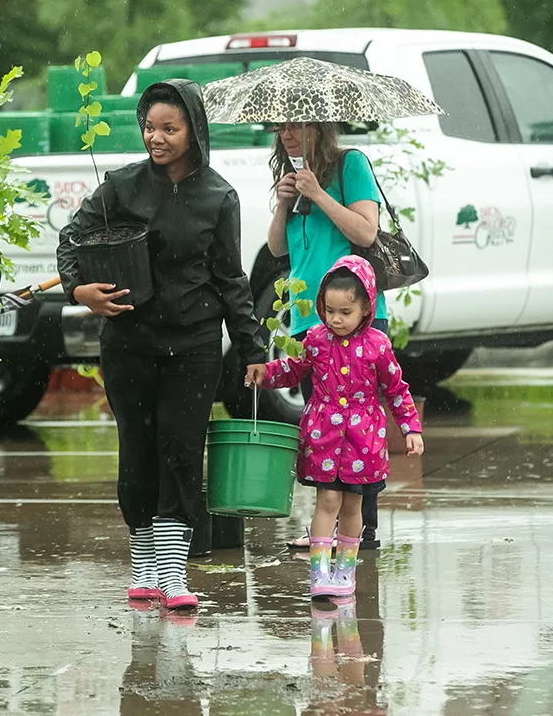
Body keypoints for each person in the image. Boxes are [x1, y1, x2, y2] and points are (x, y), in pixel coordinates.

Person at [57, 80, 261, 611]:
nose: (157, 138)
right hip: (128, 342)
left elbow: (230, 279)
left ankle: (172, 577)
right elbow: (70, 240)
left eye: (170, 128)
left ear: (194, 130)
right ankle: (143, 567)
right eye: (150, 128)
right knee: (138, 451)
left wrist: (253, 349)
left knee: (181, 451)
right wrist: (79, 291)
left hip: (194, 345)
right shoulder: (121, 186)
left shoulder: (220, 196)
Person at [248, 255, 423, 597]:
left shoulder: (377, 346)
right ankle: (320, 573)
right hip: (324, 436)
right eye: (330, 311)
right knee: (327, 500)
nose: (336, 319)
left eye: (346, 312)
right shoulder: (315, 339)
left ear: (366, 308)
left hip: (363, 440)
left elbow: (396, 389)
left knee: (353, 506)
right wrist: (265, 374)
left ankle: (345, 571)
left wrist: (410, 428)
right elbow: (294, 370)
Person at [266, 121, 389, 552]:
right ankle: (327, 525)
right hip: (307, 320)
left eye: (295, 126)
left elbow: (366, 232)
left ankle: (362, 530)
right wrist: (283, 204)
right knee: (321, 424)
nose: (286, 134)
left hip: (356, 318)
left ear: (320, 127)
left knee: (358, 425)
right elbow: (278, 250)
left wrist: (318, 193)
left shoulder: (348, 164)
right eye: (279, 128)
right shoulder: (290, 175)